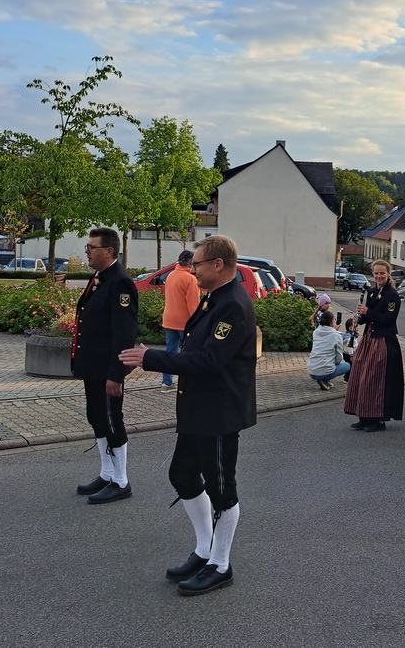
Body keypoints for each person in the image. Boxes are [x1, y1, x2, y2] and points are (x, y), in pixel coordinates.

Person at [119, 235, 256, 596]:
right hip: (199, 407)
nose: (191, 268)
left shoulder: (233, 305)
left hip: (219, 411)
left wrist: (151, 359)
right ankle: (204, 549)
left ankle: (221, 565)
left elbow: (210, 361)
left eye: (196, 263)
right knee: (182, 474)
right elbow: (196, 346)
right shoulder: (215, 299)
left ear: (218, 264)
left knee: (222, 490)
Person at [72, 227, 138, 505]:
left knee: (112, 421)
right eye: (87, 247)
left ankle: (121, 481)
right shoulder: (100, 278)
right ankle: (107, 473)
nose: (87, 251)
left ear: (108, 251)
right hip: (93, 366)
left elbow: (124, 335)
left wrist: (116, 374)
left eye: (91, 247)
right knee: (96, 417)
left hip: (107, 370)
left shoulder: (120, 282)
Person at [344, 260, 404, 431]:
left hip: (384, 341)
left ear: (388, 274)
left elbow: (388, 320)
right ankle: (364, 416)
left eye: (382, 273)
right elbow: (368, 318)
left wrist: (368, 312)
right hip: (369, 338)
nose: (378, 276)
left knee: (376, 379)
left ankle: (378, 419)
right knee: (362, 376)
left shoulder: (392, 295)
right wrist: (359, 318)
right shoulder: (371, 292)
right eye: (376, 273)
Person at [161, 250, 201, 393]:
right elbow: (193, 305)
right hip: (184, 322)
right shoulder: (190, 279)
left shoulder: (171, 275)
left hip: (169, 318)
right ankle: (188, 383)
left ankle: (166, 383)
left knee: (170, 352)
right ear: (190, 263)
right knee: (189, 353)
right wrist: (197, 323)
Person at [308, 310, 349, 390]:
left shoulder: (315, 332)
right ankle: (324, 379)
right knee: (347, 366)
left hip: (311, 369)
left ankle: (324, 380)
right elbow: (338, 359)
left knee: (327, 361)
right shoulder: (336, 336)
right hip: (325, 370)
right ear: (332, 322)